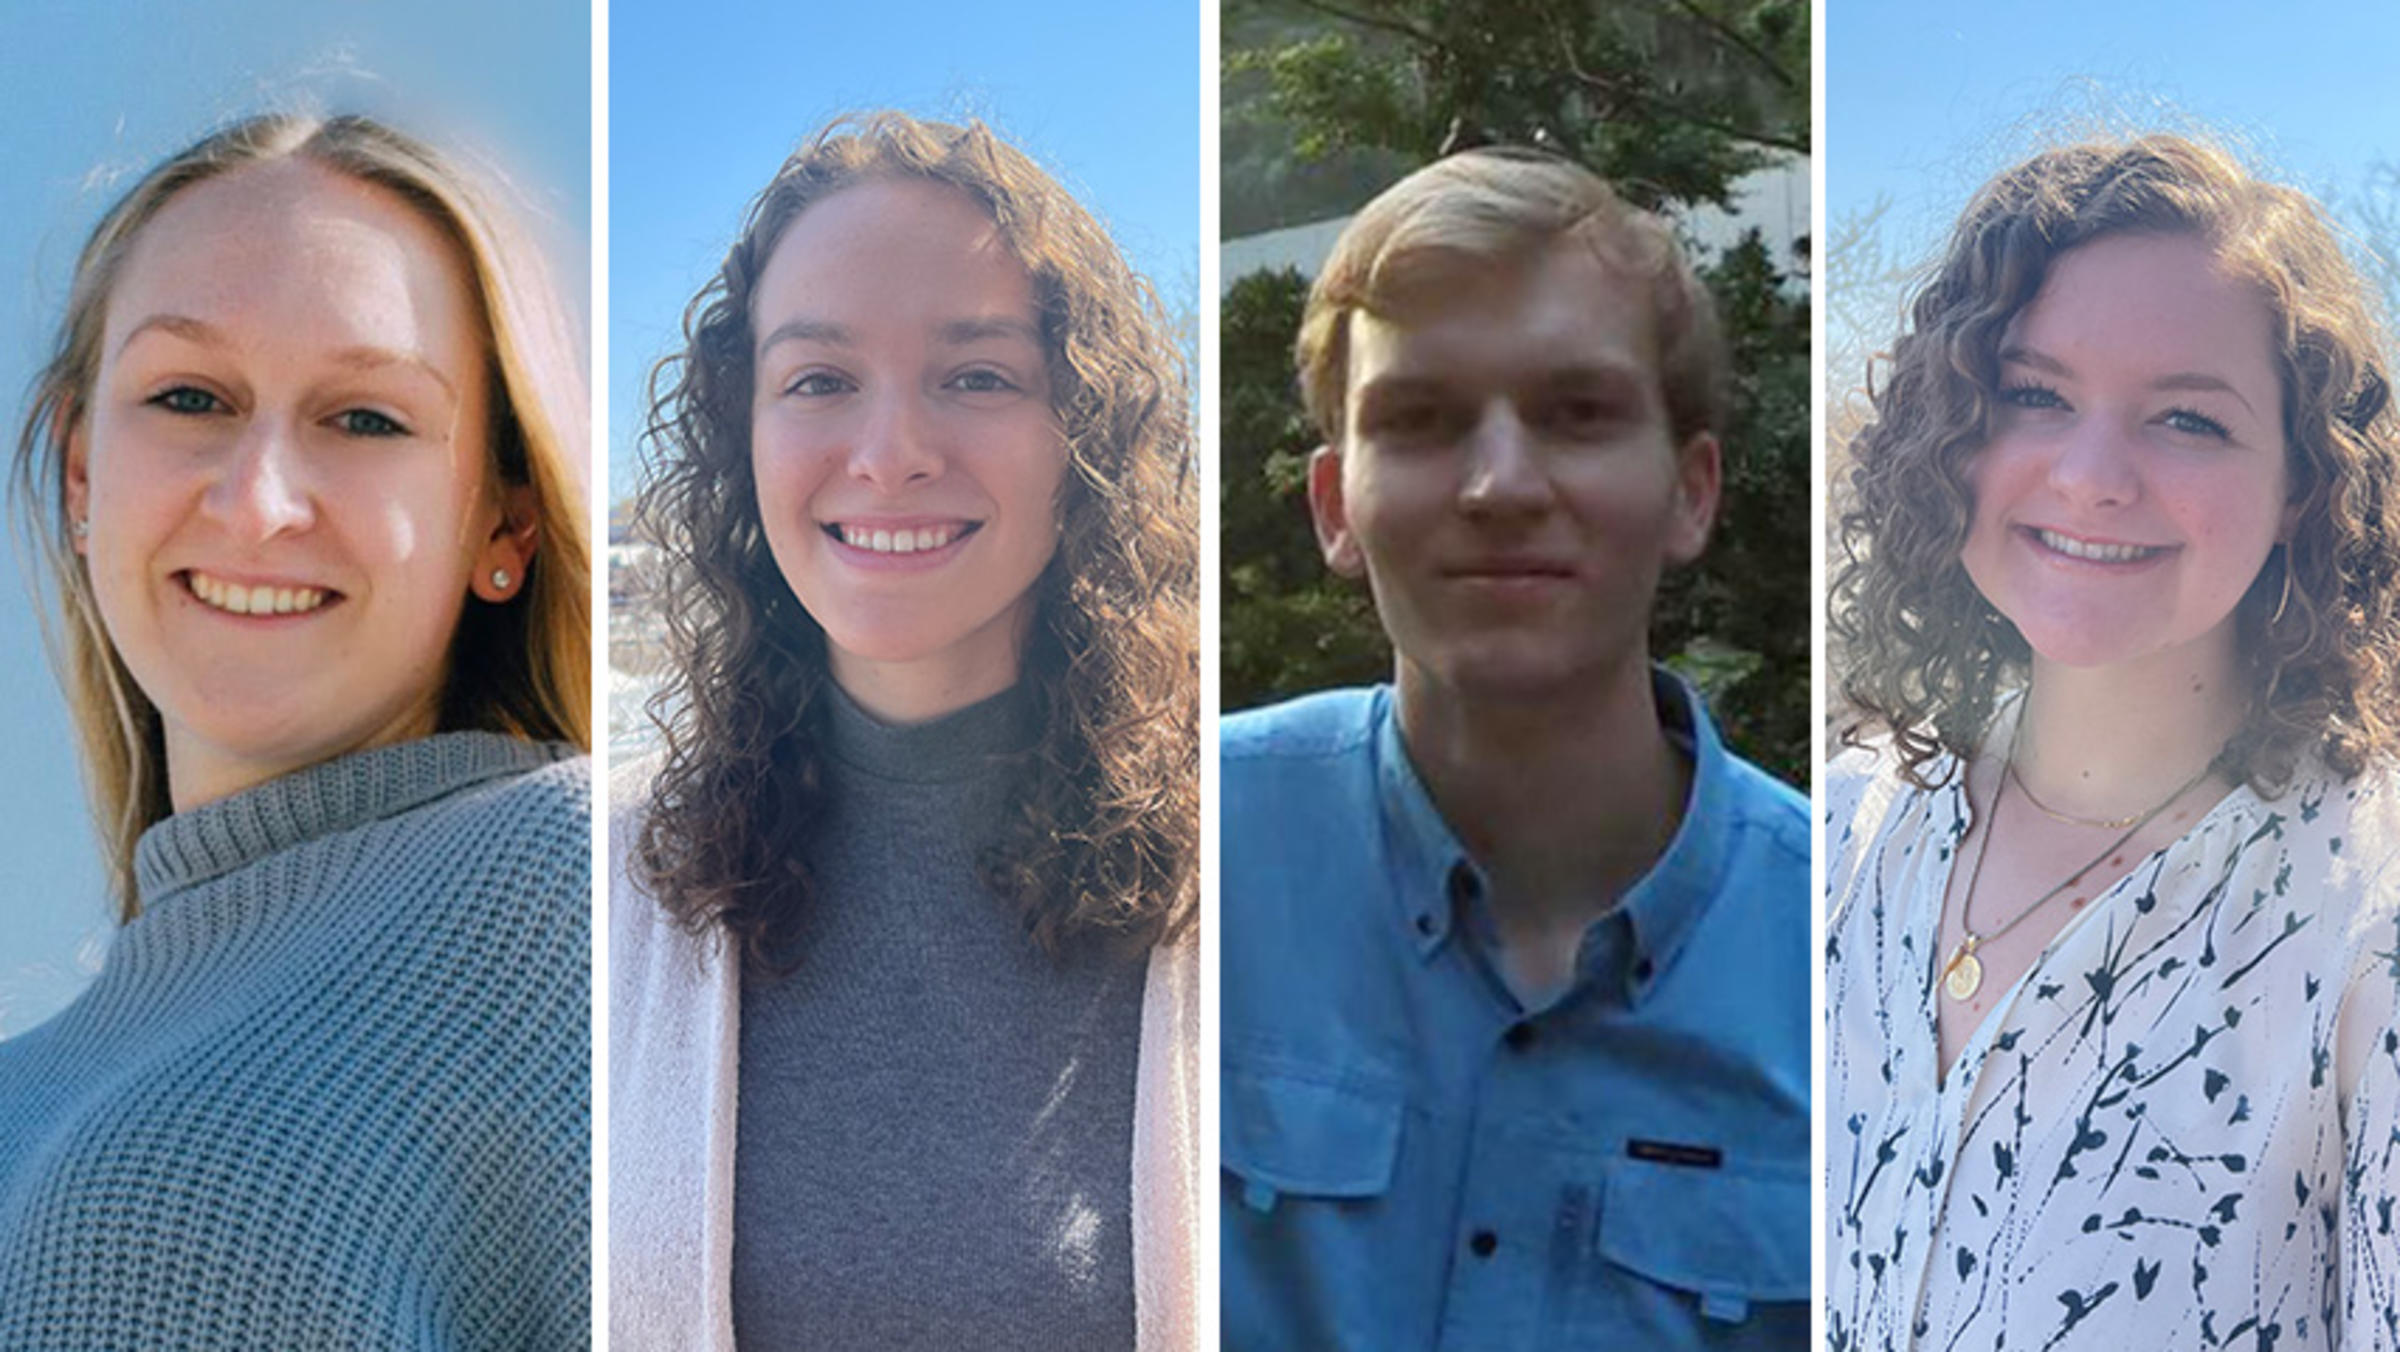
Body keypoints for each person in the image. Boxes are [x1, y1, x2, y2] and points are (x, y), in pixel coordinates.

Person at [0, 113, 593, 1347]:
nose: (258, 501)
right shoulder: (30, 1075)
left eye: (365, 418)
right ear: (79, 479)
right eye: (189, 396)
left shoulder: (579, 882)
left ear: (506, 526)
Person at [609, 112, 1200, 1350]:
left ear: (1083, 435)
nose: (889, 456)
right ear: (744, 432)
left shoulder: (1239, 881)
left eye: (976, 375)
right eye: (820, 380)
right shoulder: (608, 888)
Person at [1219, 147, 1810, 1349]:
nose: (1499, 483)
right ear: (1335, 505)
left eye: (1577, 413)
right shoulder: (1173, 860)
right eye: (1423, 421)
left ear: (1692, 492)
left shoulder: (1856, 947)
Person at [1827, 133, 2400, 1350]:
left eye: (2189, 418)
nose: (2090, 476)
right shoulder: (1836, 835)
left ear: (2306, 480)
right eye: (2033, 394)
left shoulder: (2368, 931)